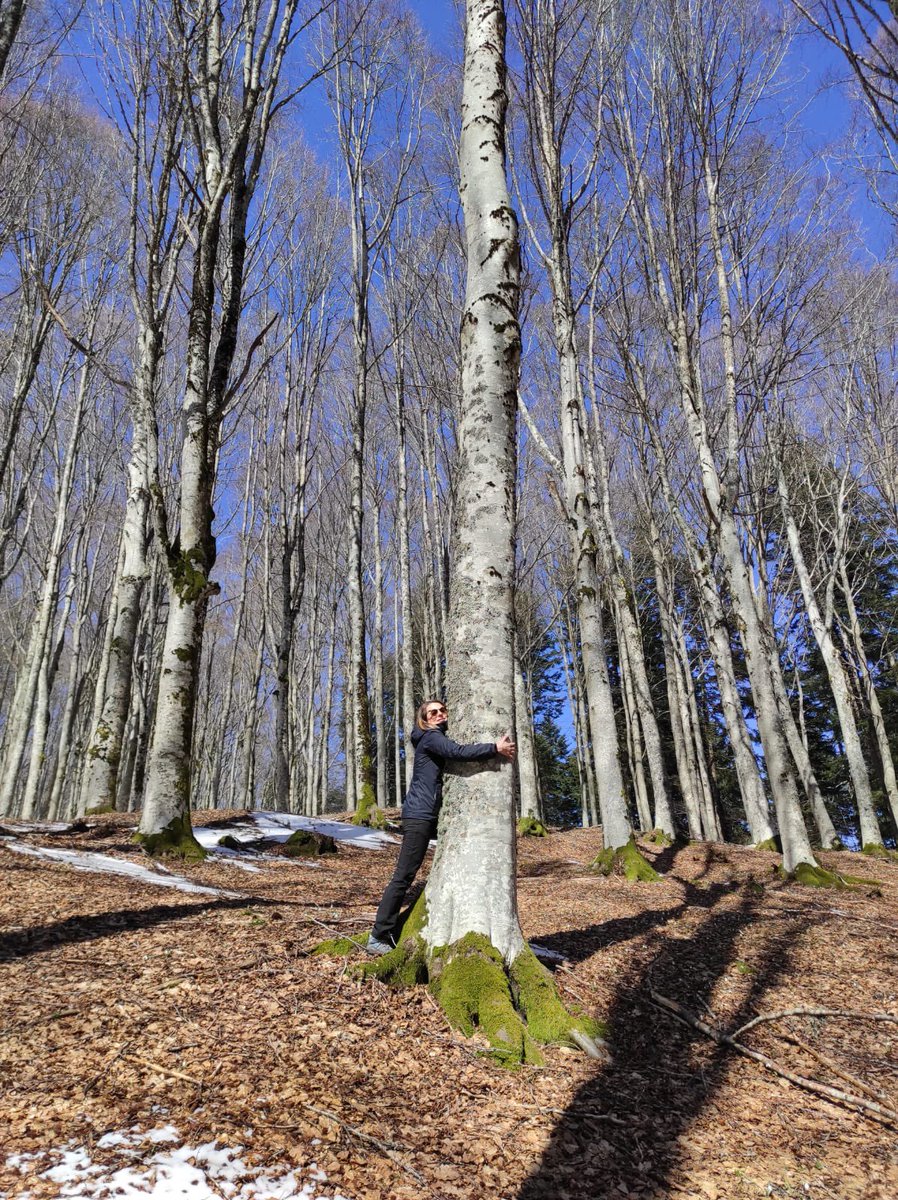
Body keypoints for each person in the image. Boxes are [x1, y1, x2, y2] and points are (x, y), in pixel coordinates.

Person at [366, 699, 516, 955]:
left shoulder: (431, 739)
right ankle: (378, 936)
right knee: (403, 876)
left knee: (408, 874)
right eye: (432, 712)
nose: (439, 714)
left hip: (427, 814)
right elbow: (458, 752)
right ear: (424, 719)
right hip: (419, 815)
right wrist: (495, 748)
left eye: (442, 710)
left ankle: (386, 931)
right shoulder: (431, 738)